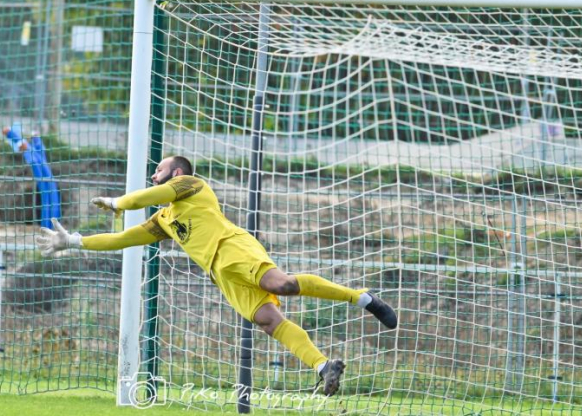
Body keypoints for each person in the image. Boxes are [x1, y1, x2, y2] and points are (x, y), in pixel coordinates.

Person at [35, 156, 397, 397]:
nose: (154, 174)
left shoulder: (191, 186)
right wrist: (74, 241)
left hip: (233, 248)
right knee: (269, 320)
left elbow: (149, 194)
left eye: (159, 169)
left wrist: (117, 202)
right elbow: (123, 239)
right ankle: (323, 365)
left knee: (282, 285)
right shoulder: (164, 220)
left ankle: (362, 297)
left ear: (177, 173)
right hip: (220, 274)